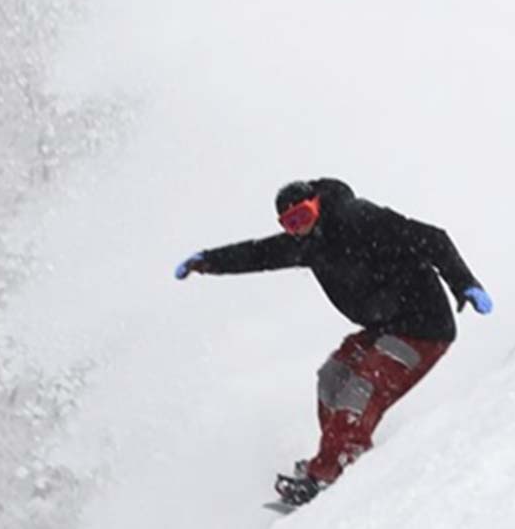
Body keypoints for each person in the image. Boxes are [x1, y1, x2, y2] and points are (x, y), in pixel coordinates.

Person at [174, 178, 492, 506]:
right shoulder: (306, 243)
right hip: (384, 327)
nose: (299, 228)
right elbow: (258, 253)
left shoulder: (358, 219)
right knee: (333, 376)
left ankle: (329, 472)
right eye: (290, 223)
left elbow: (432, 239)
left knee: (363, 386)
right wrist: (208, 261)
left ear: (317, 205)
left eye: (303, 215)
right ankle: (337, 455)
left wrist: (464, 283)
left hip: (424, 327)